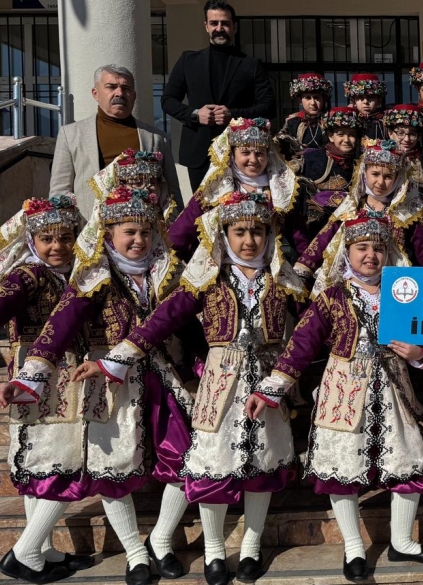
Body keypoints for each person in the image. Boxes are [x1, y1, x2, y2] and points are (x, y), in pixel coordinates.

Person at [78, 191, 306, 584]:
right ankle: (214, 551)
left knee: (265, 463)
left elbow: (314, 327)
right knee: (212, 464)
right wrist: (116, 358)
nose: (248, 240)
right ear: (223, 235)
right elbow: (164, 318)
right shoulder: (207, 278)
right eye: (239, 231)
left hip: (268, 383)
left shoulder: (283, 277)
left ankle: (250, 549)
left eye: (256, 231)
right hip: (219, 384)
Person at [6, 187, 191, 585]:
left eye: (145, 231)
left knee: (187, 459)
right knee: (112, 469)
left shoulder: (167, 269)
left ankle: (160, 539)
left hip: (158, 375)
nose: (138, 240)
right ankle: (136, 554)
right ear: (109, 234)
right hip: (109, 385)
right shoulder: (94, 274)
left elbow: (179, 314)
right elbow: (61, 322)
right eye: (129, 232)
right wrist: (32, 372)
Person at [257, 210, 423, 582]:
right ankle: (353, 546)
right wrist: (271, 389)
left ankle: (402, 542)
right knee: (342, 466)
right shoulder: (331, 298)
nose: (370, 256)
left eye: (378, 248)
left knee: (408, 459)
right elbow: (302, 345)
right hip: (344, 389)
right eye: (362, 248)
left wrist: (419, 355)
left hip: (394, 387)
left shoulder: (407, 293)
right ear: (348, 251)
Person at [0, 195, 91, 583]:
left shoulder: (74, 273)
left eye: (65, 237)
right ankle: (25, 554)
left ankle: (41, 551)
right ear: (32, 241)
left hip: (61, 372)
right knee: (58, 461)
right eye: (47, 239)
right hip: (38, 376)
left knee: (42, 462)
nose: (57, 246)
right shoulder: (27, 275)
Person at [162, 0, 276, 188]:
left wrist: (233, 114)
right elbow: (167, 100)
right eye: (214, 23)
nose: (219, 28)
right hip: (199, 153)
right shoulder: (188, 61)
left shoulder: (251, 65)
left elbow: (268, 107)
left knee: (239, 211)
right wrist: (195, 114)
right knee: (202, 214)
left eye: (225, 23)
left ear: (234, 27)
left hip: (241, 154)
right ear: (206, 26)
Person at [167, 117, 309, 261]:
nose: (253, 160)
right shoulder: (215, 189)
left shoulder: (280, 191)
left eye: (260, 153)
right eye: (246, 153)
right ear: (232, 154)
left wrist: (305, 267)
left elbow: (299, 236)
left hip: (268, 268)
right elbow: (179, 234)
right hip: (222, 269)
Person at [295, 138, 423, 285]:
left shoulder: (407, 212)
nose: (380, 182)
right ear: (364, 173)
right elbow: (324, 238)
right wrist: (304, 268)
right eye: (375, 174)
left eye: (388, 177)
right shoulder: (351, 207)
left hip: (392, 283)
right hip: (350, 280)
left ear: (398, 179)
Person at [50, 64, 182, 213]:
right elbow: (60, 192)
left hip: (144, 230)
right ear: (95, 93)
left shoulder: (156, 138)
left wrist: (179, 232)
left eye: (126, 88)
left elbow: (172, 193)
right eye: (111, 87)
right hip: (91, 228)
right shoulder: (70, 134)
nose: (119, 93)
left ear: (133, 95)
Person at [301, 106, 364, 230]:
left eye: (351, 135)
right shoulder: (312, 159)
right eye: (340, 134)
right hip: (317, 229)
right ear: (330, 136)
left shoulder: (361, 162)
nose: (346, 140)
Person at [386, 104, 423, 211]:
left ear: (419, 136)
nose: (407, 139)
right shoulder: (383, 159)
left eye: (412, 134)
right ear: (390, 133)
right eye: (400, 133)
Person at [277, 73, 333, 170]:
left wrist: (312, 152)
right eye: (307, 98)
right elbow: (278, 145)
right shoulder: (292, 122)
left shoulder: (330, 121)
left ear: (323, 99)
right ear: (300, 100)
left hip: (325, 168)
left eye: (317, 98)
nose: (313, 103)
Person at [345, 73, 388, 139]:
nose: (365, 102)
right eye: (360, 97)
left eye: (370, 97)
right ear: (353, 101)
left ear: (379, 100)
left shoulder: (386, 122)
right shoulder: (347, 121)